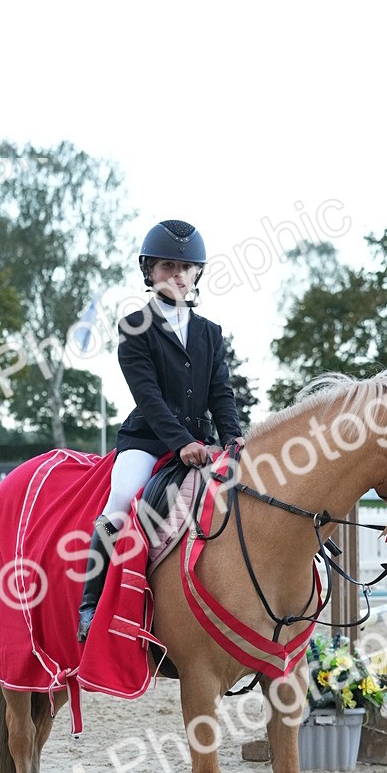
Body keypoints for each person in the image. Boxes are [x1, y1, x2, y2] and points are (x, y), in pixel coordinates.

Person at [76, 219, 245, 642]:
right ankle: (90, 604)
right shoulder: (134, 327)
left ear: (198, 274)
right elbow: (148, 396)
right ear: (149, 271)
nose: (178, 275)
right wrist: (181, 442)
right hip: (149, 442)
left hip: (201, 445)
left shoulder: (210, 332)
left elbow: (221, 393)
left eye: (187, 268)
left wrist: (233, 436)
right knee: (120, 499)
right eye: (168, 265)